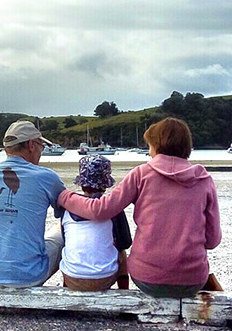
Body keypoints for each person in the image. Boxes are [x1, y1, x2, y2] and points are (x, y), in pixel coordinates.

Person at [58, 118, 222, 298]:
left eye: (150, 145)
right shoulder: (204, 180)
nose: (149, 151)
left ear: (157, 145)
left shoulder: (141, 174)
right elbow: (213, 241)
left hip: (148, 279)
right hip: (191, 280)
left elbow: (100, 210)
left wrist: (65, 196)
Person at [0, 120, 66, 287]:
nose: (42, 151)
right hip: (28, 275)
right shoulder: (46, 177)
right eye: (42, 146)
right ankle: (72, 286)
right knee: (64, 228)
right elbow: (67, 212)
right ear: (32, 145)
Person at [60, 155, 131, 291]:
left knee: (67, 245)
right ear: (105, 183)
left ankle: (66, 290)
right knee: (121, 253)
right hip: (104, 279)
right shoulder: (113, 207)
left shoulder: (67, 206)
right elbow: (126, 242)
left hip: (73, 278)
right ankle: (124, 293)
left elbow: (65, 239)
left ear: (81, 183)